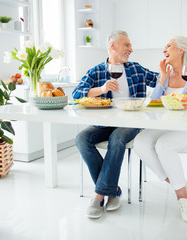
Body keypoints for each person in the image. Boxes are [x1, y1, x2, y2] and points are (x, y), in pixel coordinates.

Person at [72, 30, 159, 219]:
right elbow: (77, 94)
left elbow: (159, 80)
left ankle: (98, 195)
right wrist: (101, 89)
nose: (131, 49)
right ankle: (112, 190)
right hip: (104, 123)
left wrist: (173, 73)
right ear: (113, 46)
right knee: (81, 139)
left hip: (132, 122)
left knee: (117, 138)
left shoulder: (136, 68)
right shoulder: (96, 71)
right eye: (126, 45)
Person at [133, 36, 187, 223]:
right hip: (169, 125)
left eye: (168, 46)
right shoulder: (166, 74)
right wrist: (162, 78)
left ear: (181, 50)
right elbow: (153, 104)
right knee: (141, 141)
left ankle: (182, 198)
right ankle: (180, 185)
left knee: (164, 145)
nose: (164, 50)